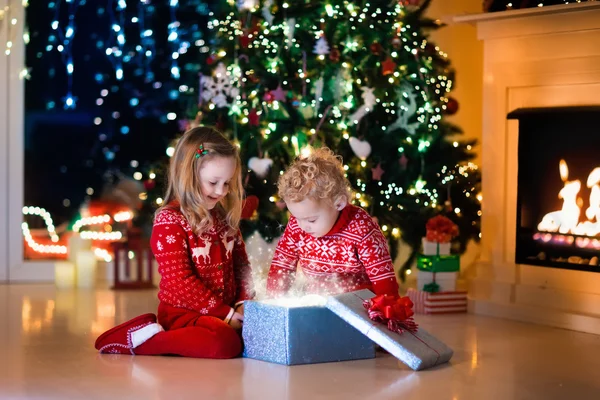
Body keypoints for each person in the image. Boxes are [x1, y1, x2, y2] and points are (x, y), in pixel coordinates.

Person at [95, 127, 253, 358]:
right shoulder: (170, 221)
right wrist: (225, 314)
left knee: (254, 337)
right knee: (223, 344)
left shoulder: (224, 219)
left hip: (224, 312)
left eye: (227, 183)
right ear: (188, 174)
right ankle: (142, 340)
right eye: (213, 182)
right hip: (184, 314)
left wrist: (242, 304)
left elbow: (242, 267)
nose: (221, 191)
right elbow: (180, 280)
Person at [266, 147, 399, 297]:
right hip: (318, 300)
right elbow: (282, 264)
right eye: (296, 217)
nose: (302, 226)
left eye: (311, 219)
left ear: (339, 204)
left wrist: (388, 308)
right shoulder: (297, 226)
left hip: (358, 302)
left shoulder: (361, 227)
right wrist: (274, 300)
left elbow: (383, 277)